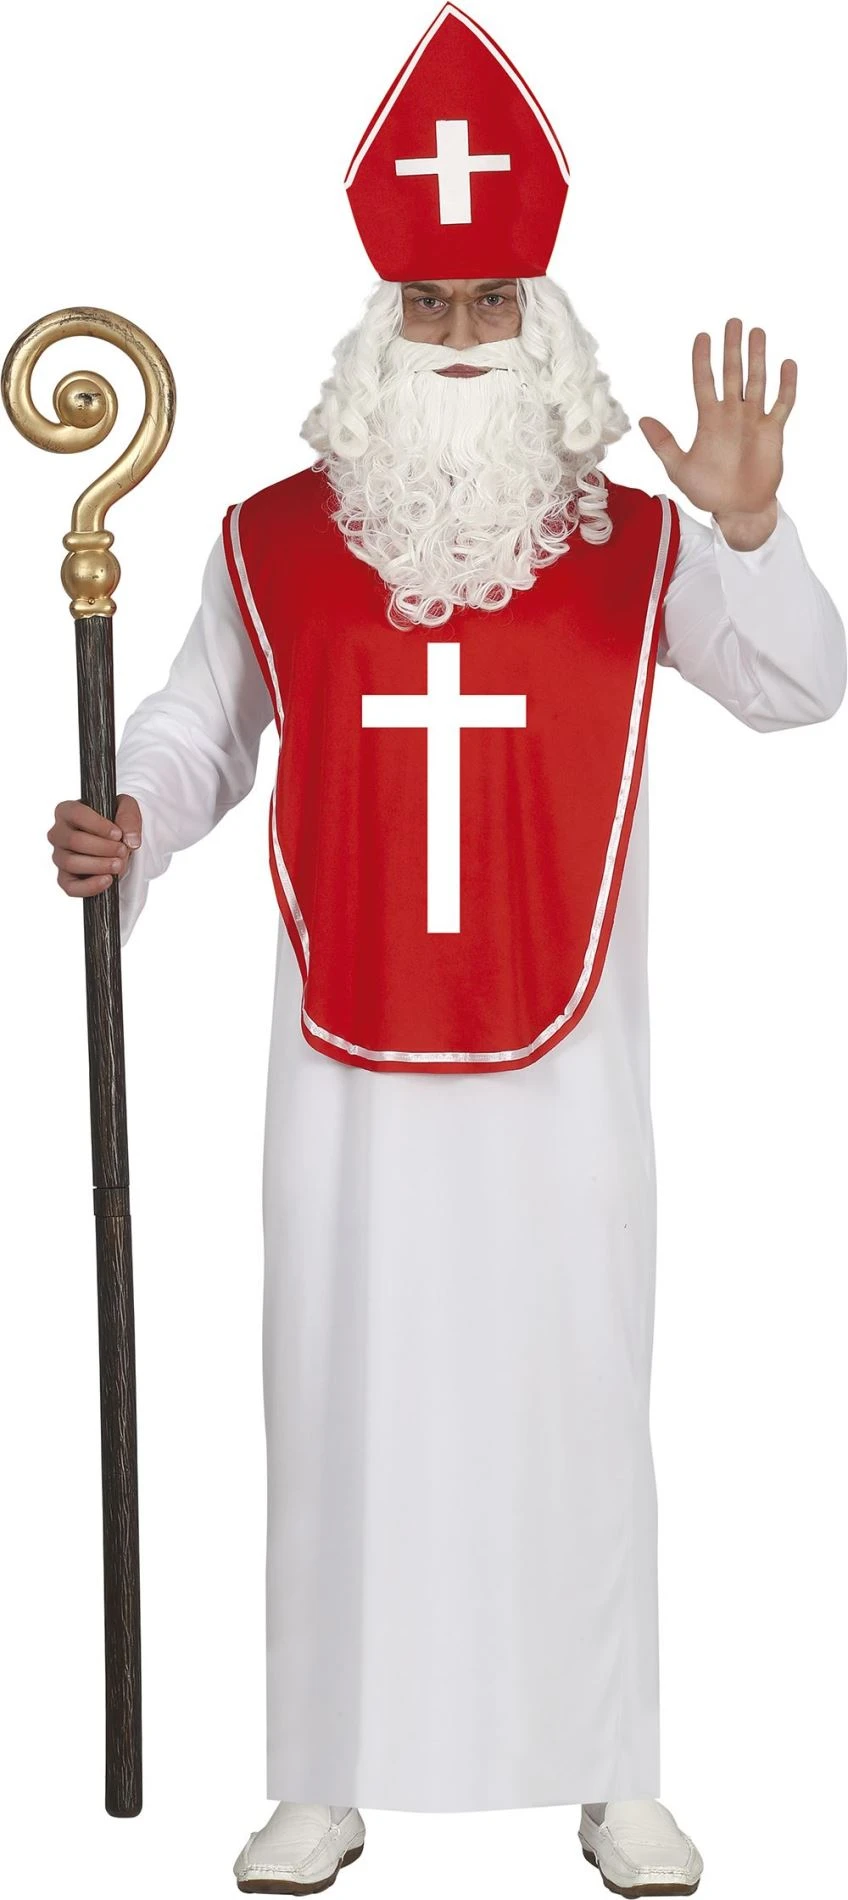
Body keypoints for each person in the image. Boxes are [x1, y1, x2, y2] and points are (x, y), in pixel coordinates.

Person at [45, 7, 846, 1896]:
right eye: (430, 299)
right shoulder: (274, 540)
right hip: (346, 1061)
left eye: (492, 299)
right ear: (378, 321)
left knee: (576, 1393)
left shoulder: (640, 546)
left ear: (544, 317)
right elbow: (194, 730)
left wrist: (751, 528)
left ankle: (611, 1768)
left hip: (571, 1069)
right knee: (343, 1397)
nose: (464, 332)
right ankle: (325, 1769)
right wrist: (133, 819)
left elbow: (802, 688)